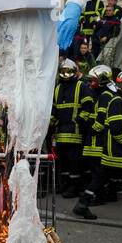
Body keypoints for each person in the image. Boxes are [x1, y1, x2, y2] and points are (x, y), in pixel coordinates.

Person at [74, 70, 122, 218]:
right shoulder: (117, 101)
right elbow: (116, 128)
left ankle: (83, 203)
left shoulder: (119, 99)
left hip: (112, 151)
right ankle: (83, 203)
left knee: (100, 178)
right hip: (121, 151)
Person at [50, 59, 94, 198]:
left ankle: (75, 187)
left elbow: (88, 107)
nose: (66, 74)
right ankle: (65, 184)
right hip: (60, 131)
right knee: (62, 161)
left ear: (75, 72)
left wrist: (78, 121)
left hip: (75, 132)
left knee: (74, 161)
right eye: (63, 71)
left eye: (68, 71)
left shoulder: (81, 86)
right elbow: (54, 110)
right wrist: (51, 127)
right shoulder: (57, 88)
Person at [81, 65, 117, 206]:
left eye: (94, 81)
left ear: (102, 81)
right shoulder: (100, 94)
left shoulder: (105, 96)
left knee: (98, 172)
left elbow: (101, 118)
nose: (91, 84)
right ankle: (101, 194)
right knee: (97, 172)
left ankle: (99, 196)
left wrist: (93, 130)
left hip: (98, 141)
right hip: (95, 141)